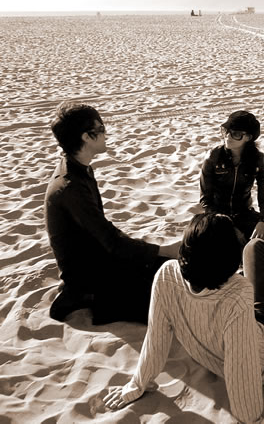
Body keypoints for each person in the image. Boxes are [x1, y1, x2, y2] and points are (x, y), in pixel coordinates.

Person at [103, 213, 264, 423]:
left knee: (253, 275)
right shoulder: (238, 292)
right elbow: (240, 371)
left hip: (212, 350)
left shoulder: (166, 274)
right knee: (256, 248)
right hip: (263, 351)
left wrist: (137, 385)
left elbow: (155, 340)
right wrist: (251, 420)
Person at [45, 101, 180, 325]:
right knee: (167, 301)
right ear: (86, 137)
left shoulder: (79, 169)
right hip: (89, 275)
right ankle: (83, 297)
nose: (105, 133)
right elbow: (111, 241)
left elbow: (104, 235)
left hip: (99, 259)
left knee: (169, 270)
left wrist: (158, 254)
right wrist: (165, 249)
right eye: (101, 128)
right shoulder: (70, 186)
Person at [200, 110, 264, 248]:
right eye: (226, 131)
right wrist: (229, 226)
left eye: (235, 134)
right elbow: (205, 201)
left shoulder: (258, 159)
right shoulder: (213, 157)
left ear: (248, 138)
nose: (228, 136)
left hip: (243, 213)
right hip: (217, 216)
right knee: (205, 233)